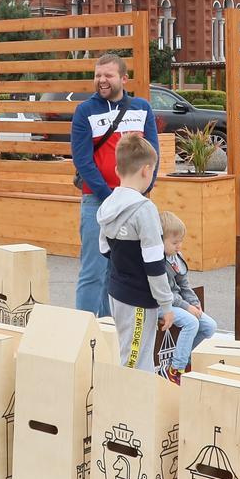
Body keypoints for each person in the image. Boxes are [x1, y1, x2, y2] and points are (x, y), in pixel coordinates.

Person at [71, 53, 157, 317]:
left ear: (123, 78)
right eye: (98, 75)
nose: (101, 80)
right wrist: (111, 197)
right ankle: (83, 334)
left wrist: (144, 189)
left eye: (108, 75)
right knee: (93, 271)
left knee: (117, 273)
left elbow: (152, 154)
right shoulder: (85, 111)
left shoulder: (142, 108)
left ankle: (108, 331)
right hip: (98, 202)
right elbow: (83, 161)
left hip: (134, 204)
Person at [96, 134, 177, 373]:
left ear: (117, 169)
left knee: (128, 350)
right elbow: (154, 264)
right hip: (139, 299)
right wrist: (166, 304)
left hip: (117, 291)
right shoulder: (145, 210)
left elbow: (105, 249)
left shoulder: (107, 205)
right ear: (146, 169)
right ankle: (127, 408)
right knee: (136, 362)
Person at [156, 209, 221, 378]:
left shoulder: (176, 257)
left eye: (181, 242)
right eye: (174, 243)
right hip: (159, 304)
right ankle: (174, 370)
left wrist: (194, 302)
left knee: (209, 326)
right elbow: (165, 293)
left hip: (176, 302)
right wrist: (186, 307)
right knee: (191, 322)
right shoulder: (156, 261)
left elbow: (184, 285)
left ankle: (185, 359)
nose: (179, 246)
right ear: (160, 240)